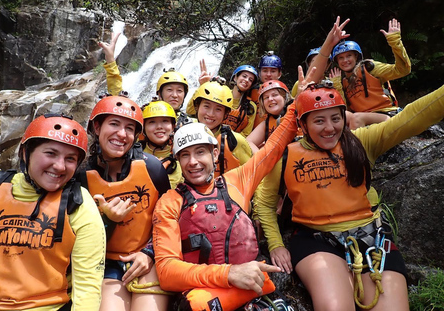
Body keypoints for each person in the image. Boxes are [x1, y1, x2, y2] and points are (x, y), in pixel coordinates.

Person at [260, 80, 444, 311]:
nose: (330, 128)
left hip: (371, 235)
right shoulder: (286, 155)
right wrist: (276, 244)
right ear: (303, 125)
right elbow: (265, 202)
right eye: (319, 120)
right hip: (316, 238)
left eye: (335, 118)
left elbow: (412, 118)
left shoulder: (362, 141)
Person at [152, 67, 315, 310]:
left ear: (214, 153)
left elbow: (272, 149)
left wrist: (294, 106)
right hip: (205, 296)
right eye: (184, 155)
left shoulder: (237, 181)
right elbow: (167, 271)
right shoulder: (169, 202)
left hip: (253, 290)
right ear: (177, 159)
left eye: (200, 152)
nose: (193, 162)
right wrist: (230, 274)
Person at [0, 114, 106, 310]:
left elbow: (88, 287)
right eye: (50, 153)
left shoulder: (78, 203)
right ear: (25, 153)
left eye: (70, 159)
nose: (60, 166)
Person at [79, 95, 171, 311]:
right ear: (97, 127)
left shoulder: (153, 168)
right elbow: (78, 240)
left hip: (148, 257)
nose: (122, 134)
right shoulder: (81, 176)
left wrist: (149, 253)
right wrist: (107, 220)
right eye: (114, 124)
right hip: (106, 263)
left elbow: (169, 219)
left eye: (129, 128)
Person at [311, 18, 411, 129]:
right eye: (341, 58)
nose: (345, 61)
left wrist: (395, 42)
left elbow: (402, 70)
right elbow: (344, 110)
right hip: (363, 120)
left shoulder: (369, 68)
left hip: (386, 114)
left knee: (357, 118)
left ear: (356, 56)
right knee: (337, 117)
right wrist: (338, 86)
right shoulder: (341, 81)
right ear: (337, 62)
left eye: (349, 56)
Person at [192, 79, 253, 176]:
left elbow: (253, 172)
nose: (211, 114)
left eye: (218, 109)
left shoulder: (235, 141)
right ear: (197, 107)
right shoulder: (185, 134)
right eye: (206, 106)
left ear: (225, 114)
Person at [140, 100, 183, 188]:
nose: (159, 126)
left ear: (173, 126)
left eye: (165, 121)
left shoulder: (182, 152)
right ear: (144, 128)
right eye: (152, 122)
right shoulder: (134, 154)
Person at [246, 80, 292, 151]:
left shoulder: (296, 114)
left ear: (285, 97)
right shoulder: (266, 123)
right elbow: (248, 142)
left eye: (275, 95)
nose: (270, 99)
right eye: (266, 97)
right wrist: (262, 158)